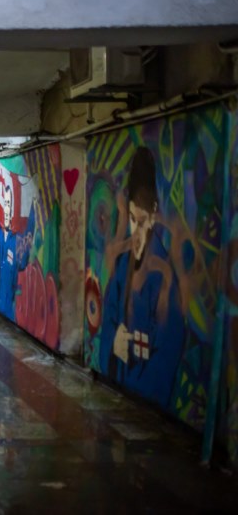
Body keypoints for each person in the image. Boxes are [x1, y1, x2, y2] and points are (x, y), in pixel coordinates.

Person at [97, 146, 185, 409]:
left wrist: (135, 385)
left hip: (140, 390)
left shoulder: (165, 279)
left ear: (154, 214)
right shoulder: (123, 265)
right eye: (133, 220)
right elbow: (109, 317)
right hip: (121, 385)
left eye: (143, 221)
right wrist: (114, 342)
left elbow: (166, 356)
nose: (137, 231)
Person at [0, 173, 35, 320]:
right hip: (1, 303)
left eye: (9, 205)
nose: (6, 210)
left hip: (10, 308)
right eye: (4, 205)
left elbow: (22, 262)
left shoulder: (15, 240)